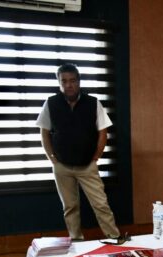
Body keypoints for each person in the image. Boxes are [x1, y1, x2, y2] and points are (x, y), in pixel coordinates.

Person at [36, 63, 119, 240]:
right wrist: (52, 159)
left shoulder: (92, 103)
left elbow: (103, 131)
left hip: (87, 165)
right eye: (64, 81)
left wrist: (96, 157)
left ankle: (114, 238)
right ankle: (76, 240)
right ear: (59, 83)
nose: (69, 85)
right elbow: (44, 133)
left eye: (72, 80)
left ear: (78, 81)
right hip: (62, 166)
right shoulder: (51, 103)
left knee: (101, 204)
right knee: (70, 207)